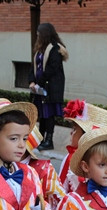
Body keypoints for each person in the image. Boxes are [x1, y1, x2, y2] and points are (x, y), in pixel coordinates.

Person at [28, 22, 68, 151]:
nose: (37, 36)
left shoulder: (55, 49)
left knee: (49, 114)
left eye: (39, 34)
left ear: (44, 34)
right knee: (42, 114)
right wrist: (32, 81)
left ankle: (49, 140)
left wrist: (39, 82)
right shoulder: (41, 49)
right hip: (40, 88)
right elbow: (33, 67)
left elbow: (52, 69)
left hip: (50, 88)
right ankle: (40, 139)